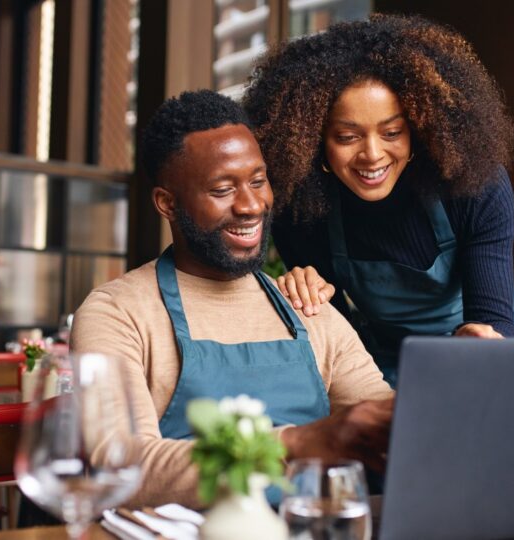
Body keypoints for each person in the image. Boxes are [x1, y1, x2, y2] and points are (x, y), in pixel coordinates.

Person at [71, 89, 393, 509]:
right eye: (223, 189)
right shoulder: (117, 313)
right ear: (167, 204)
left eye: (258, 181)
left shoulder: (307, 305)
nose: (251, 205)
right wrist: (298, 442)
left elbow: (383, 422)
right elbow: (119, 463)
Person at [242, 14, 514, 385]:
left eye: (392, 131)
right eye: (347, 137)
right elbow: (338, 340)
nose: (373, 155)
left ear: (418, 130)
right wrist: (306, 297)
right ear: (314, 142)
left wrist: (485, 340)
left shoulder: (474, 185)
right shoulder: (302, 209)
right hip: (386, 363)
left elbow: (493, 315)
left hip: (481, 352)